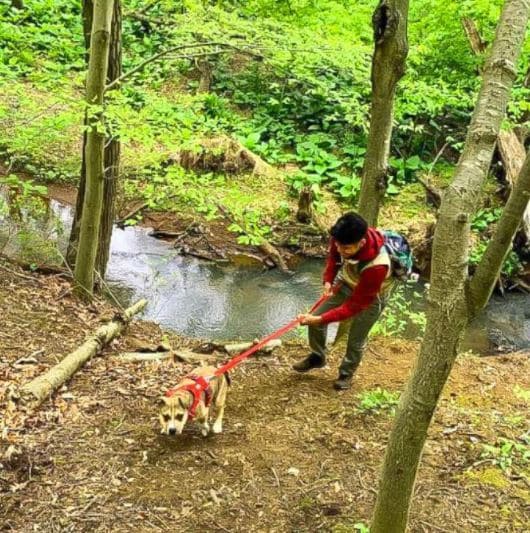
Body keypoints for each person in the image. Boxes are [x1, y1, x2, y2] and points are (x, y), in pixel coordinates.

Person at [293, 212, 396, 390]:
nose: (340, 250)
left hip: (371, 297)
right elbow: (334, 258)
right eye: (338, 245)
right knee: (315, 318)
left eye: (346, 248)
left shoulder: (378, 266)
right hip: (347, 282)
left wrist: (321, 319)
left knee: (356, 339)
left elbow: (355, 305)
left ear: (361, 243)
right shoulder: (342, 238)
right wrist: (328, 280)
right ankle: (318, 357)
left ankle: (346, 374)